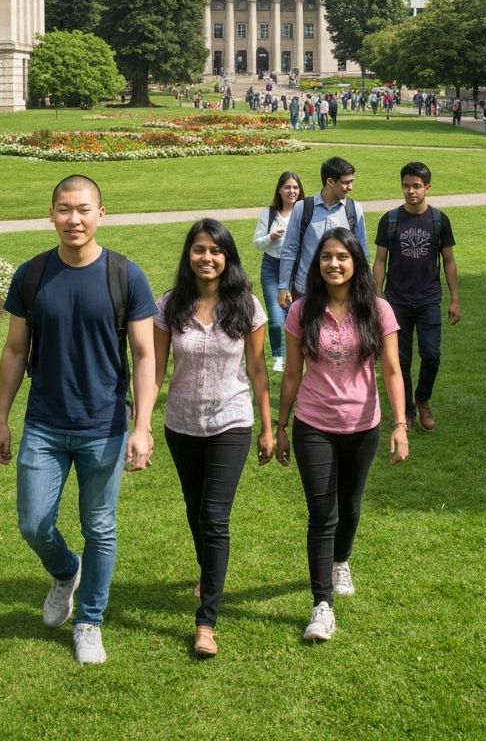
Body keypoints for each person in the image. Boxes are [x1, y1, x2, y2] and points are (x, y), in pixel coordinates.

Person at [0, 175, 157, 665]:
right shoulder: (32, 275)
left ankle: (89, 620)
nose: (74, 219)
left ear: (101, 213)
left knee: (99, 527)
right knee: (32, 523)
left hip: (103, 425)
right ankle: (66, 571)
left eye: (83, 209)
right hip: (43, 424)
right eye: (64, 210)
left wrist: (142, 424)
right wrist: (2, 418)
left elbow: (146, 355)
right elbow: (15, 348)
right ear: (51, 214)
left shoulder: (126, 276)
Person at [276, 227, 409, 643]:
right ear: (317, 264)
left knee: (349, 506)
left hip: (362, 425)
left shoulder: (378, 309)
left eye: (342, 257)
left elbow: (391, 370)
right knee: (321, 514)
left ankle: (341, 560)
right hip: (313, 423)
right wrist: (280, 426)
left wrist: (400, 425)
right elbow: (293, 373)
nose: (334, 264)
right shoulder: (301, 311)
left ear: (356, 262)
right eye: (326, 257)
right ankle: (322, 605)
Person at [154, 219, 273, 659]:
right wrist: (141, 423)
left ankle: (206, 622)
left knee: (214, 518)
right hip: (181, 423)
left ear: (228, 257)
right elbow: (155, 367)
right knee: (195, 509)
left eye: (216, 251)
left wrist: (267, 424)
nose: (207, 258)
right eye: (199, 249)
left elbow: (259, 369)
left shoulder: (247, 306)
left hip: (231, 420)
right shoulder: (169, 305)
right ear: (189, 255)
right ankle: (209, 572)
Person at [372, 161, 460, 433]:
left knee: (431, 355)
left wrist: (454, 297)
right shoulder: (390, 220)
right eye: (406, 186)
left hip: (428, 299)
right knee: (401, 360)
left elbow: (448, 260)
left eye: (416, 186)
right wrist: (375, 298)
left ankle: (423, 399)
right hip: (395, 301)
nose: (411, 191)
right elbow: (379, 261)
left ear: (427, 188)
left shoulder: (438, 220)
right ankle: (408, 410)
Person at [278, 156, 369, 308]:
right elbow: (289, 249)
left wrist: (366, 286)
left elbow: (362, 252)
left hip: (342, 289)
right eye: (345, 183)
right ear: (330, 182)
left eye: (351, 181)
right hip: (306, 288)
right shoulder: (303, 208)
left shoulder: (354, 209)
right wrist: (283, 286)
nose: (350, 187)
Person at [253, 172, 305, 372]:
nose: (291, 191)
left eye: (295, 187)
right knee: (276, 318)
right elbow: (257, 242)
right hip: (272, 267)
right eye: (287, 187)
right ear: (280, 190)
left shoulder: (303, 211)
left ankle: (296, 355)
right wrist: (270, 238)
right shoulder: (269, 213)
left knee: (294, 315)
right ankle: (278, 356)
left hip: (296, 268)